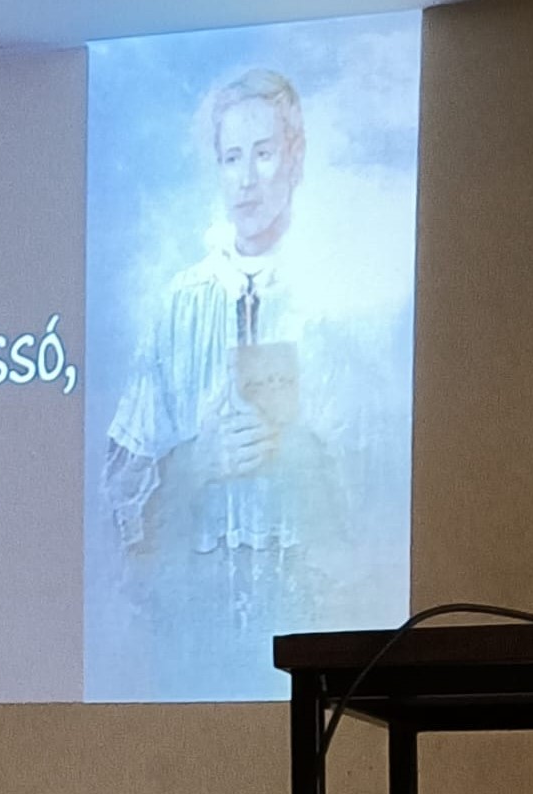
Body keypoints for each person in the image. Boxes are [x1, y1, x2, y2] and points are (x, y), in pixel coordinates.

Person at [101, 69, 375, 700]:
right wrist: (195, 463)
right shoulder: (179, 304)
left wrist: (296, 453)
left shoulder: (334, 302)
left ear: (295, 158)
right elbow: (121, 491)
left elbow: (375, 501)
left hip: (315, 634)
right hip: (193, 640)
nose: (247, 179)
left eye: (264, 153)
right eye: (231, 158)